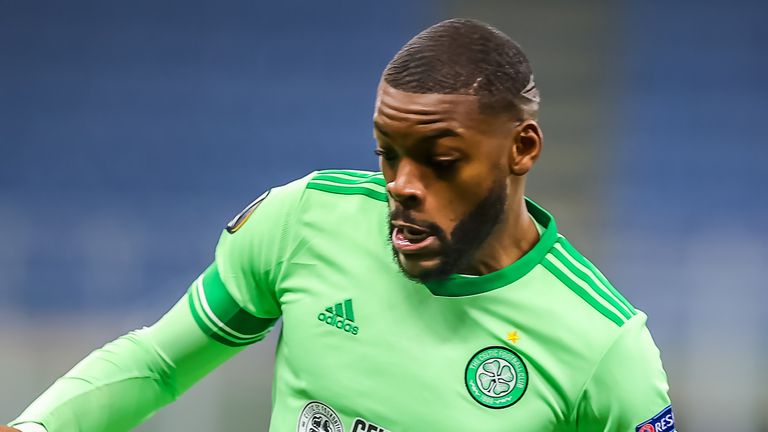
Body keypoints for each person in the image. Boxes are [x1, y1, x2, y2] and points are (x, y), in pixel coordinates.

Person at [5, 18, 675, 432]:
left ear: (522, 149)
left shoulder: (607, 351)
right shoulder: (304, 223)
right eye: (388, 155)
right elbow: (157, 364)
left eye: (441, 162)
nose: (403, 187)